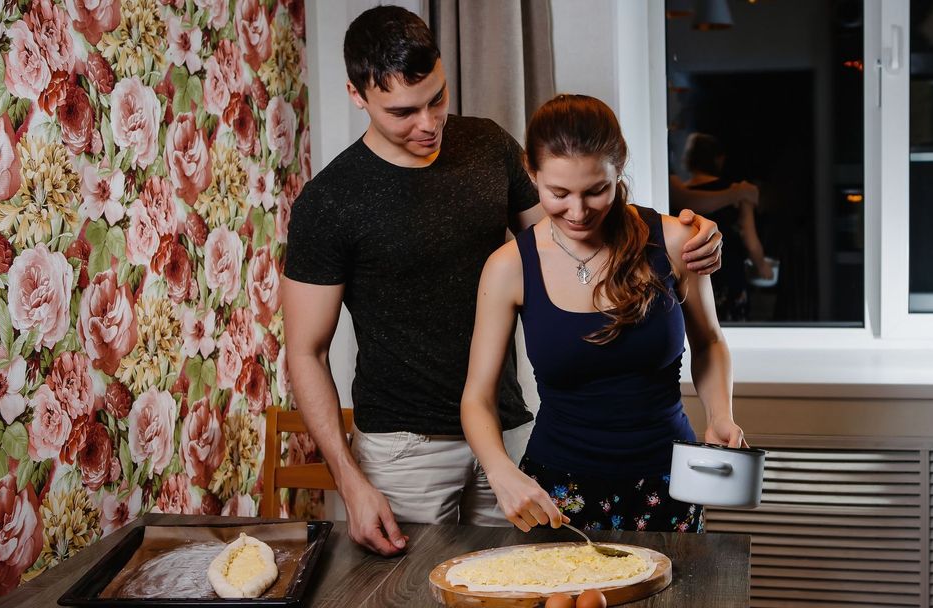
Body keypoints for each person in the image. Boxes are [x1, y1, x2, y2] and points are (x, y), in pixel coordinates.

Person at [281, 6, 724, 556]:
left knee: (521, 586)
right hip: (406, 447)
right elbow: (305, 351)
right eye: (403, 111)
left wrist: (679, 233)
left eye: (437, 98)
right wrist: (350, 482)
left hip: (509, 428)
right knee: (414, 591)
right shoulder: (329, 202)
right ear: (356, 95)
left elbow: (575, 234)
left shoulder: (488, 145)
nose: (428, 123)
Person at [461, 94, 745, 534]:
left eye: (597, 190)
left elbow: (708, 341)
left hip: (669, 479)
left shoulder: (675, 241)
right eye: (558, 193)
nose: (578, 212)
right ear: (531, 173)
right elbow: (477, 398)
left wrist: (721, 414)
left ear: (619, 168)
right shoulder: (508, 267)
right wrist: (500, 471)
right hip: (557, 490)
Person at [672, 133, 773, 322]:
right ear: (719, 159)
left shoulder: (679, 195)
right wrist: (762, 266)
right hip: (729, 271)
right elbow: (750, 239)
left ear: (688, 161)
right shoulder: (738, 193)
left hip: (689, 272)